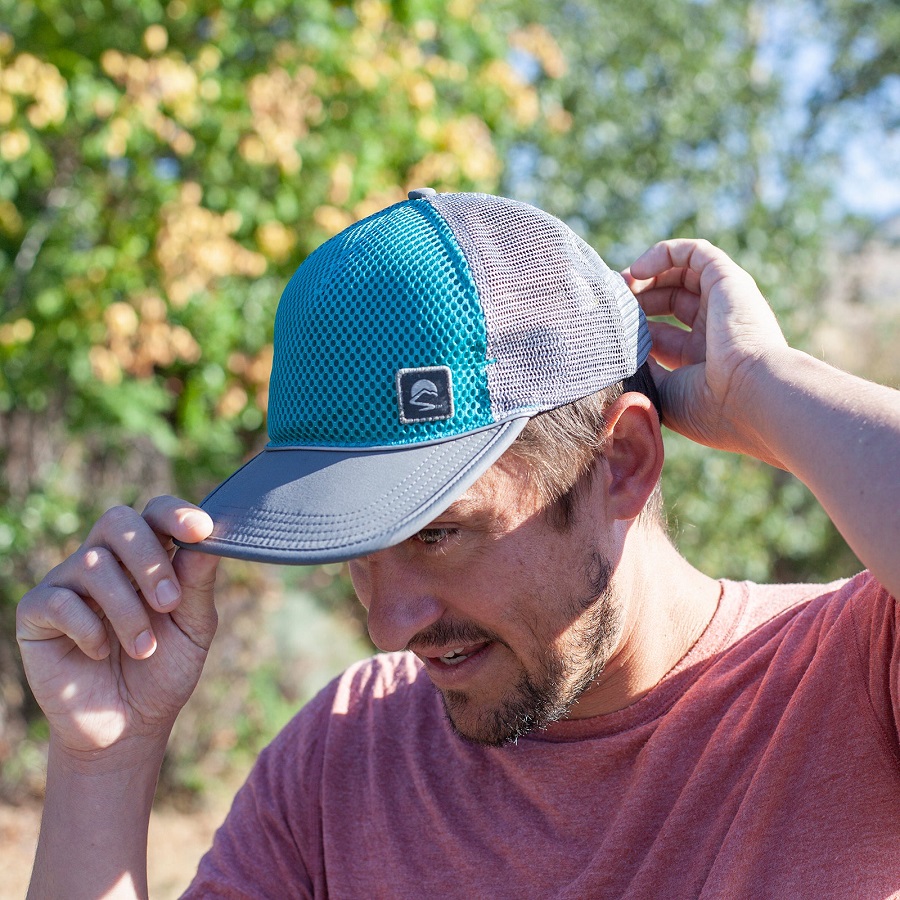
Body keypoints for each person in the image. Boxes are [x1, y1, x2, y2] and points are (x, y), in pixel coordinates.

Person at [16, 191, 900, 899]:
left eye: (438, 534)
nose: (389, 626)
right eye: (356, 547)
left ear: (623, 463)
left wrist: (761, 387)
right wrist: (107, 762)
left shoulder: (857, 675)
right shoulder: (346, 755)